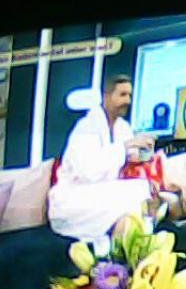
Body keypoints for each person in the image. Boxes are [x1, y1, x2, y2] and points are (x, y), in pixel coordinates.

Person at [48, 74, 156, 247]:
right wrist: (126, 146)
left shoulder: (122, 127)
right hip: (73, 198)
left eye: (129, 95)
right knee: (136, 192)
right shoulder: (86, 127)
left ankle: (125, 249)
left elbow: (132, 157)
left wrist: (146, 151)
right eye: (122, 95)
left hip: (101, 195)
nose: (127, 101)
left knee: (141, 190)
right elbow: (88, 171)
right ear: (106, 97)